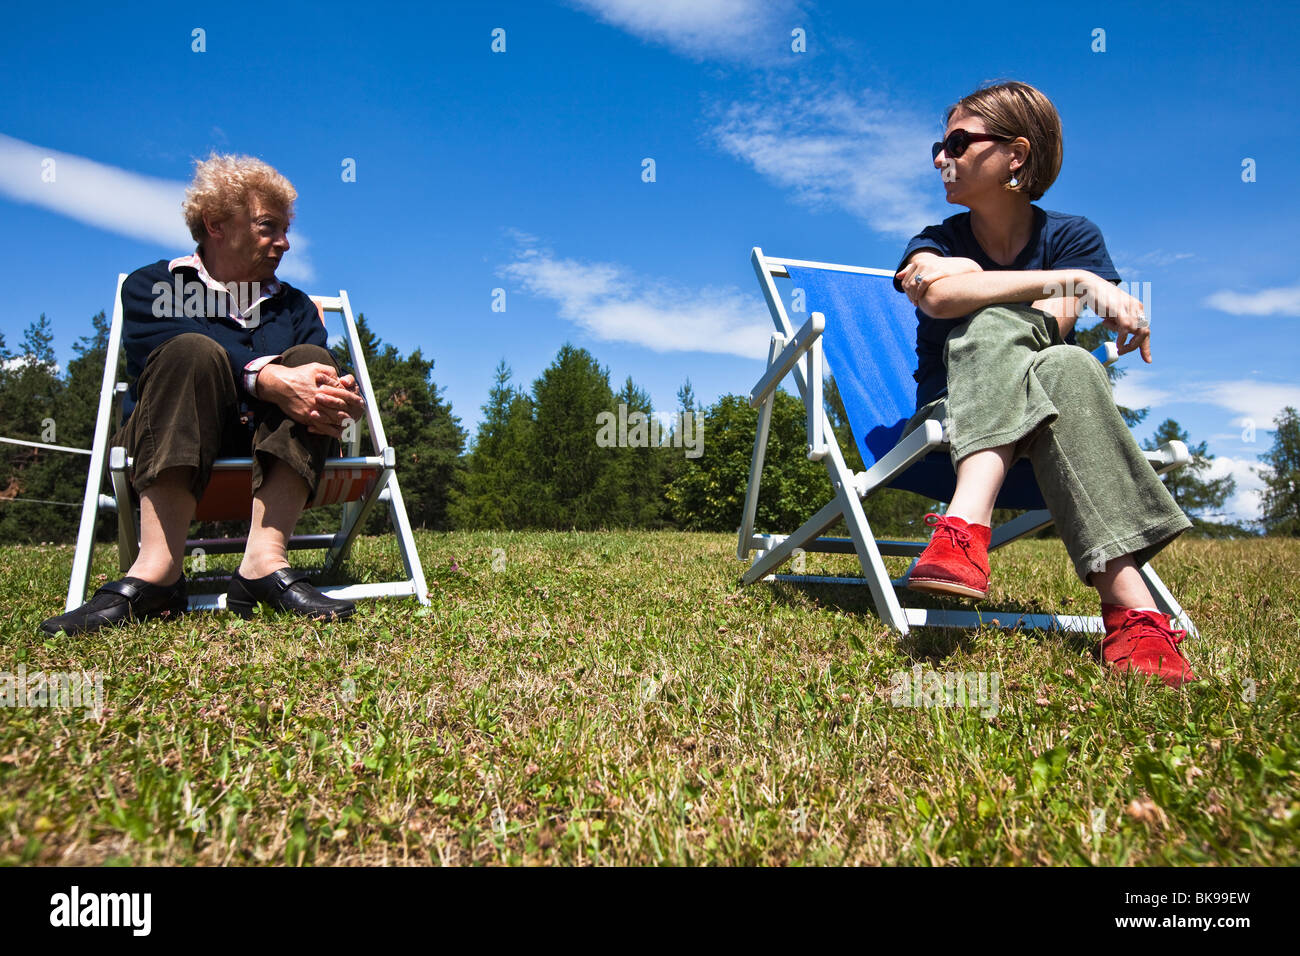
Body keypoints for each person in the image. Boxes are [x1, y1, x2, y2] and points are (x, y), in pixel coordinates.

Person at [892, 81, 1198, 687]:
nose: (938, 158)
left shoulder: (1070, 234)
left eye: (956, 142)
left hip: (1046, 418)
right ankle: (1134, 613)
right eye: (939, 144)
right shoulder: (938, 238)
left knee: (1067, 361)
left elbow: (1051, 325)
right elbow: (939, 293)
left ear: (1016, 154)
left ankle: (966, 531)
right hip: (949, 417)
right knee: (1014, 332)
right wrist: (1076, 280)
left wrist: (1016, 283)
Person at [42, 154, 365, 635]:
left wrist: (336, 397)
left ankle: (262, 564)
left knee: (307, 364)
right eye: (267, 227)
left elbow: (316, 368)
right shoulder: (155, 286)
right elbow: (180, 352)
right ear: (216, 223)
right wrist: (270, 380)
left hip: (274, 451)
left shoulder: (294, 306)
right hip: (177, 438)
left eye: (284, 229)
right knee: (190, 351)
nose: (284, 242)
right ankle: (158, 571)